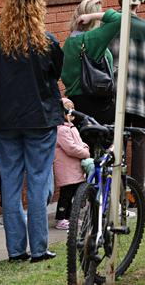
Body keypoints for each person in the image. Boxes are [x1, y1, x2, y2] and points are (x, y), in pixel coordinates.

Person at [0, 0, 63, 262]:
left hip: (5, 119)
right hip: (39, 118)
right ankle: (39, 248)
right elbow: (54, 75)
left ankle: (16, 249)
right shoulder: (48, 42)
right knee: (39, 182)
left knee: (11, 182)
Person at [108, 0, 145, 207]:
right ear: (137, 2)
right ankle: (136, 194)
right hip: (141, 95)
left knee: (116, 145)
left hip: (116, 96)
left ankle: (119, 194)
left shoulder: (109, 26)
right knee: (139, 145)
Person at [62, 0, 122, 124]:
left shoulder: (70, 41)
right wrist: (92, 16)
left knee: (82, 143)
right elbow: (120, 19)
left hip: (76, 105)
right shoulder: (91, 39)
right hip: (97, 104)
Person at [53, 98, 91, 230]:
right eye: (69, 109)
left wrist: (85, 147)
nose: (72, 112)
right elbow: (70, 148)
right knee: (66, 195)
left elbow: (79, 143)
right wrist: (85, 152)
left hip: (75, 168)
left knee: (74, 193)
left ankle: (69, 217)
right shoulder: (61, 130)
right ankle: (61, 218)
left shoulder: (71, 127)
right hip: (67, 169)